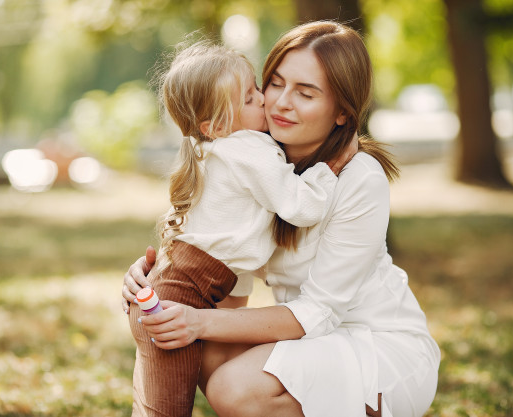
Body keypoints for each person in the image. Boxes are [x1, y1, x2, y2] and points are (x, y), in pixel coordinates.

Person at [123, 21, 441, 417]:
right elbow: (224, 268)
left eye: (305, 93)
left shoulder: (359, 177)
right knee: (204, 353)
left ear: (342, 112)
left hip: (376, 347)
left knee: (235, 387)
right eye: (273, 84)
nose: (279, 103)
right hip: (305, 340)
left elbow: (320, 312)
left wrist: (198, 322)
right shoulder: (255, 155)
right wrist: (158, 282)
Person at [127, 40, 355, 417]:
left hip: (173, 291)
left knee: (156, 407)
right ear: (215, 125)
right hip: (181, 297)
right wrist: (328, 169)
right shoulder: (249, 147)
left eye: (256, 89)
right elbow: (301, 206)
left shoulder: (212, 150)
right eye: (249, 99)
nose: (265, 101)